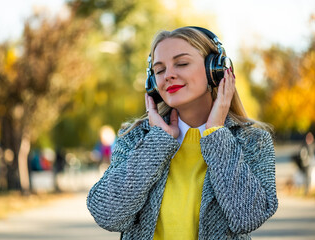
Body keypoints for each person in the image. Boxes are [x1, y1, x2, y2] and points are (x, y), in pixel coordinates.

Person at [87, 26, 278, 239]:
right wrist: (156, 145)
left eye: (182, 63)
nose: (168, 75)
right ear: (152, 83)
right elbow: (108, 215)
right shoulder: (134, 138)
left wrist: (216, 134)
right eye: (159, 70)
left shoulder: (252, 140)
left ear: (215, 70)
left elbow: (249, 217)